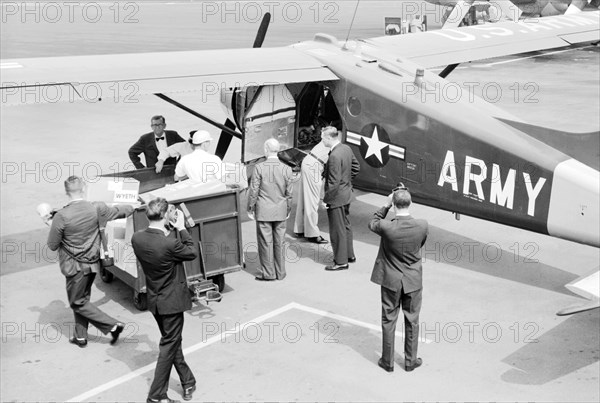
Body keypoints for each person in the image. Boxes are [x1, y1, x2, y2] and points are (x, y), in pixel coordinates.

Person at [47, 176, 133, 347]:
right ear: (84, 188)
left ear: (66, 191)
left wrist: (50, 223)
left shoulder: (62, 216)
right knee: (83, 299)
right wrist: (132, 206)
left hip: (74, 267)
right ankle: (81, 336)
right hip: (93, 264)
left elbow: (52, 245)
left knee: (77, 302)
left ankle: (113, 326)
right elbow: (119, 210)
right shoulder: (97, 208)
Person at [131, 198, 198, 403]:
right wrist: (181, 228)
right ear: (164, 216)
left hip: (155, 299)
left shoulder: (137, 238)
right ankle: (157, 395)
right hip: (172, 301)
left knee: (172, 341)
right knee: (169, 345)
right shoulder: (170, 242)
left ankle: (188, 381)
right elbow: (192, 251)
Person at [368, 184, 428, 373]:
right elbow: (421, 243)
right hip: (412, 280)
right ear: (411, 203)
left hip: (390, 280)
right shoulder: (422, 225)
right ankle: (410, 361)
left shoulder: (387, 226)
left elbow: (373, 221)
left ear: (394, 204)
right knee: (412, 320)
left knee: (388, 320)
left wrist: (385, 205)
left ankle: (388, 361)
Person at [247, 138, 293, 281]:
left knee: (265, 243)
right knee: (280, 242)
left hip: (264, 210)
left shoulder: (259, 168)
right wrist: (288, 209)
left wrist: (250, 207)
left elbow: (254, 190)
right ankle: (281, 273)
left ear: (266, 149)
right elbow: (289, 193)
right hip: (280, 209)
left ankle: (268, 273)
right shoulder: (286, 168)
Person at [321, 126, 360, 271]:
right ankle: (349, 255)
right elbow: (356, 167)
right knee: (345, 226)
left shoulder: (334, 156)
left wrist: (326, 200)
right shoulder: (346, 149)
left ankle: (341, 261)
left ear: (329, 138)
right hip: (347, 195)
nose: (321, 140)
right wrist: (347, 182)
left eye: (323, 137)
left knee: (337, 230)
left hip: (337, 198)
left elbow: (333, 182)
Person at [293, 140, 329, 244]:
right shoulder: (338, 138)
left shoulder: (331, 134)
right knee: (312, 201)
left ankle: (300, 229)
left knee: (304, 199)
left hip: (309, 161)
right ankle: (312, 234)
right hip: (315, 165)